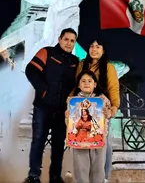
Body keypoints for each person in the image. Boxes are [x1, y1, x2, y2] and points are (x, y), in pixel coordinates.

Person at [23, 28, 79, 183]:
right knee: (38, 140)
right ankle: (34, 175)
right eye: (66, 39)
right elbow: (31, 70)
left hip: (62, 110)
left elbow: (79, 83)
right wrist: (43, 90)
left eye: (72, 40)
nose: (69, 43)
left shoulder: (75, 61)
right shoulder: (46, 52)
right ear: (60, 39)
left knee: (58, 144)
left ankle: (55, 176)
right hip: (43, 107)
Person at [64, 38, 120, 183]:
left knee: (103, 145)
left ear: (103, 50)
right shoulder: (82, 65)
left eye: (98, 46)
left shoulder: (109, 68)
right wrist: (70, 103)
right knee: (79, 145)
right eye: (92, 46)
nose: (94, 49)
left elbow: (113, 89)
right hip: (80, 107)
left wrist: (113, 108)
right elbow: (76, 85)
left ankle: (104, 177)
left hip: (101, 110)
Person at [65, 70, 111, 183]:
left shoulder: (102, 100)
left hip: (98, 141)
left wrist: (107, 113)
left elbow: (107, 117)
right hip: (79, 142)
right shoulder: (72, 101)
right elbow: (71, 124)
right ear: (79, 85)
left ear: (94, 84)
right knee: (80, 170)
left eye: (90, 81)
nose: (86, 83)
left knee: (98, 170)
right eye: (83, 81)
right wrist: (68, 117)